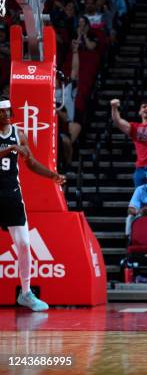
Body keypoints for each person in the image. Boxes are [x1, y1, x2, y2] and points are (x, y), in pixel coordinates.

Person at [0, 100, 66, 311]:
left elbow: (30, 161)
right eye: (1, 112)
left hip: (11, 196)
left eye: (8, 111)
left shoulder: (19, 133)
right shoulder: (12, 141)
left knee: (24, 244)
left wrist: (52, 175)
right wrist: (9, 148)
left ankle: (26, 293)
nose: (6, 115)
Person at [111, 80, 147, 187]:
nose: (146, 108)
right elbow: (118, 121)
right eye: (144, 107)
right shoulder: (134, 127)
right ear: (139, 112)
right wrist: (114, 108)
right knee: (140, 202)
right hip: (141, 169)